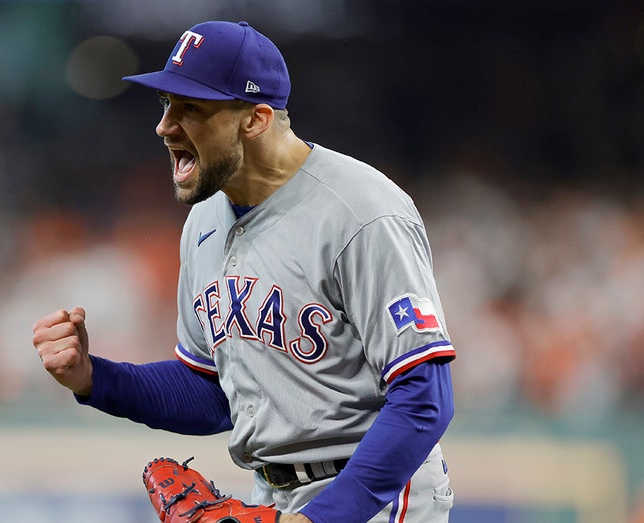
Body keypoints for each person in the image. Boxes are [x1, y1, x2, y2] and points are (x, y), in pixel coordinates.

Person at [33, 20, 456, 523]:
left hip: (374, 496)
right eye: (166, 104)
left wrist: (323, 518)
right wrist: (94, 378)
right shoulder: (204, 222)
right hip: (271, 495)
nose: (165, 126)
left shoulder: (361, 211)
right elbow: (211, 391)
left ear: (255, 119)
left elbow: (424, 397)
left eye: (191, 108)